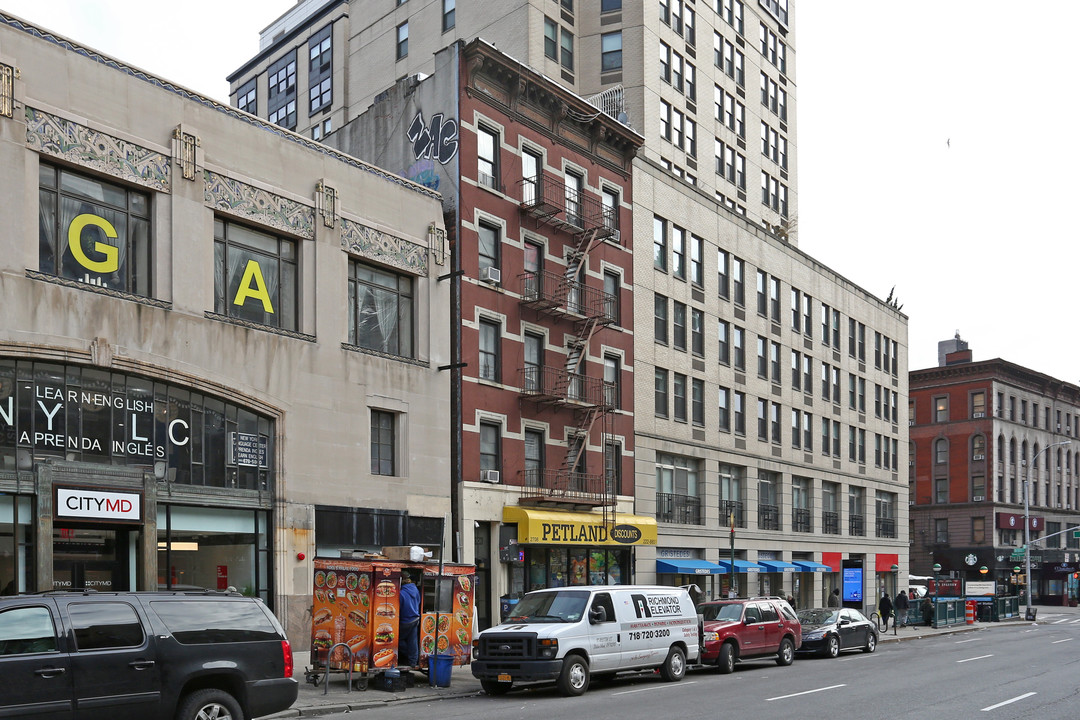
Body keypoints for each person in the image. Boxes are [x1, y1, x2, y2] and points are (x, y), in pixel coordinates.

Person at [398, 571, 421, 668]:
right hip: (415, 618)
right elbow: (419, 602)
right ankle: (413, 661)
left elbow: (399, 608)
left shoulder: (401, 593)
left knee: (396, 640)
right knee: (413, 641)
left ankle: (407, 654)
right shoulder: (415, 590)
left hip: (405, 620)